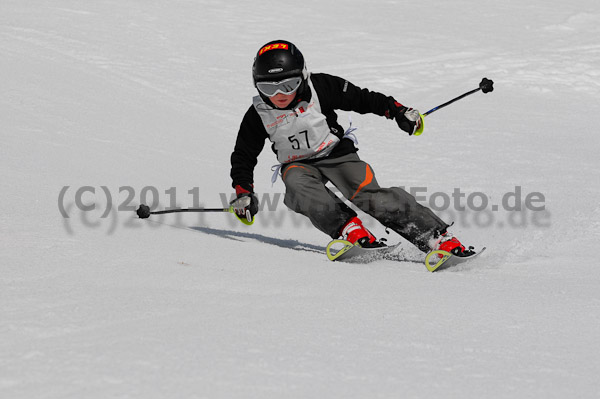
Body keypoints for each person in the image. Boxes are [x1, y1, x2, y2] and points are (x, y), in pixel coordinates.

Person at [229, 40, 473, 256]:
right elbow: (243, 155)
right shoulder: (258, 115)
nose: (280, 95)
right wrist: (243, 192)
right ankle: (349, 229)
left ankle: (436, 236)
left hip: (337, 154)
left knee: (369, 196)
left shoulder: (321, 87)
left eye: (289, 84)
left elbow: (363, 98)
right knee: (298, 184)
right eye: (269, 88)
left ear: (302, 77)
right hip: (297, 164)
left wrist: (397, 111)